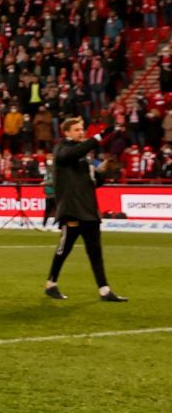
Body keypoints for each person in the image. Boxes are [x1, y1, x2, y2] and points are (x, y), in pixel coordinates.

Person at [45, 117, 127, 302]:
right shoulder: (62, 149)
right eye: (75, 129)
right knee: (64, 249)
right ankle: (51, 283)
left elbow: (92, 181)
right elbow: (69, 155)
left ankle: (104, 290)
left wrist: (104, 172)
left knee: (95, 251)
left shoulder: (83, 157)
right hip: (72, 210)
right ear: (66, 132)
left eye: (81, 129)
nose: (80, 132)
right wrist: (99, 137)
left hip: (89, 211)